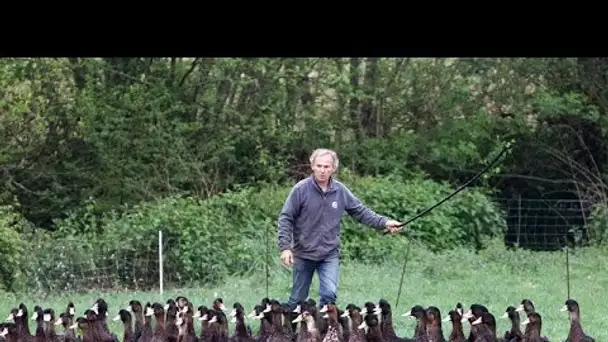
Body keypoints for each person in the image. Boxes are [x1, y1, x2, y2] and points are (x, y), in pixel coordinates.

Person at [277, 148, 403, 309]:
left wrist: (384, 222)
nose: (323, 171)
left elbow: (361, 211)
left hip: (329, 253)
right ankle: (290, 333)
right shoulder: (300, 190)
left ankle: (324, 331)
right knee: (297, 300)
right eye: (319, 166)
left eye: (327, 167)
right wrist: (285, 247)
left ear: (333, 168)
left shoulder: (340, 191)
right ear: (312, 166)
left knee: (329, 295)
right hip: (303, 252)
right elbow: (286, 218)